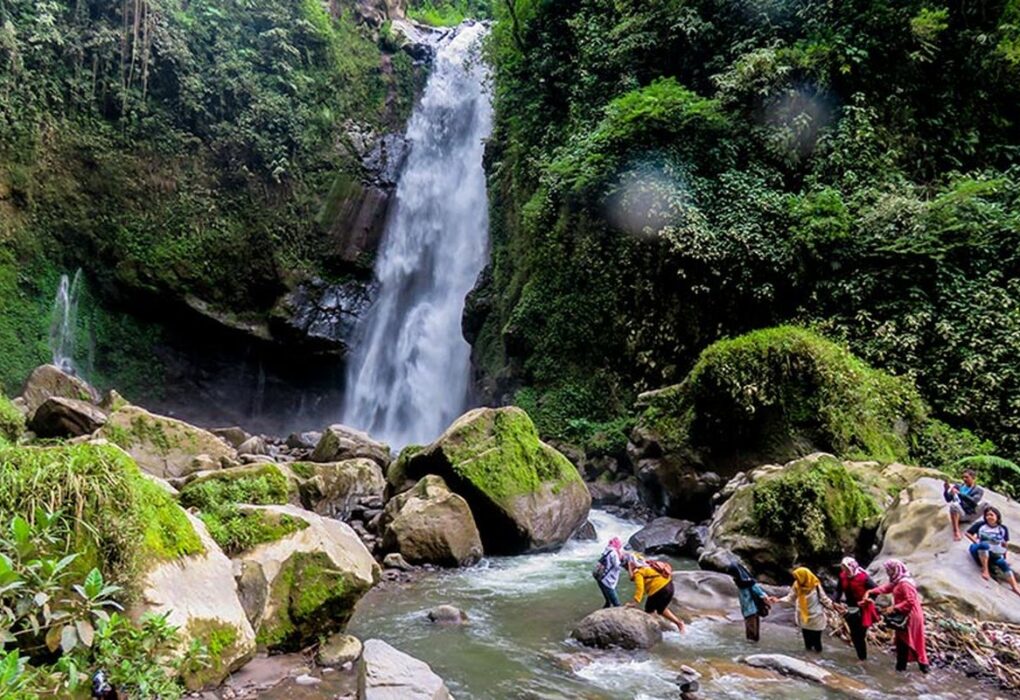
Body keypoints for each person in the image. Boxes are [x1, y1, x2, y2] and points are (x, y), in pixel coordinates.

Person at [863, 559, 929, 674]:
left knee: (914, 642)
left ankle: (923, 669)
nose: (888, 572)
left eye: (889, 570)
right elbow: (886, 588)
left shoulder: (905, 584)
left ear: (895, 570)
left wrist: (894, 607)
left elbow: (910, 601)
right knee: (902, 642)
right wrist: (871, 592)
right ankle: (901, 670)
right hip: (903, 614)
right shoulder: (897, 582)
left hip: (911, 616)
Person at [767, 567, 839, 652]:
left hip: (816, 617)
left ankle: (817, 660)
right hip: (803, 617)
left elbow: (824, 599)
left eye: (798, 577)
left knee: (817, 642)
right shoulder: (797, 585)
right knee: (807, 642)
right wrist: (778, 600)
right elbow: (790, 598)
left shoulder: (815, 585)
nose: (797, 579)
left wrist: (834, 606)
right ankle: (809, 659)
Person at [966, 506, 1020, 597]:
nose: (989, 517)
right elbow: (968, 533)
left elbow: (1004, 544)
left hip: (993, 552)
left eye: (991, 515)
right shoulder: (981, 525)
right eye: (987, 515)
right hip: (978, 549)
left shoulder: (1002, 529)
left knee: (1002, 562)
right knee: (984, 545)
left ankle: (1015, 587)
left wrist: (1005, 556)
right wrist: (976, 541)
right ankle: (985, 569)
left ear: (997, 516)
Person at [833, 557, 879, 660]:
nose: (845, 570)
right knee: (854, 635)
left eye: (846, 568)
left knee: (860, 635)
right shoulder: (842, 577)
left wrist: (869, 599)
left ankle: (863, 658)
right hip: (851, 608)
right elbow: (838, 590)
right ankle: (861, 657)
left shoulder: (863, 577)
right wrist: (835, 601)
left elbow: (876, 590)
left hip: (864, 609)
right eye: (843, 568)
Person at [625, 558, 686, 633]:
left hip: (659, 589)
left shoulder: (639, 572)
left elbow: (640, 589)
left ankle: (653, 631)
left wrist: (635, 602)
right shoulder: (649, 566)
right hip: (669, 586)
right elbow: (634, 580)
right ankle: (679, 623)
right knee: (661, 609)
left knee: (649, 610)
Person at [727, 561, 768, 642]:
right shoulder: (741, 582)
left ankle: (753, 651)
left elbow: (759, 592)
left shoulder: (748, 583)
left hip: (751, 611)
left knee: (751, 635)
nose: (733, 577)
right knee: (753, 634)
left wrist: (766, 598)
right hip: (748, 611)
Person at [944, 469, 985, 541]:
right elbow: (948, 499)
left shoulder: (979, 490)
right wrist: (946, 490)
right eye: (963, 477)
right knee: (954, 506)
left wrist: (959, 494)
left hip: (971, 514)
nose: (964, 479)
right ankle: (956, 532)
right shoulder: (958, 486)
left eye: (966, 477)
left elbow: (973, 501)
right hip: (961, 513)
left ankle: (985, 527)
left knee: (987, 504)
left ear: (973, 478)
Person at [593, 537, 624, 607]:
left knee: (607, 597)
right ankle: (619, 611)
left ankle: (606, 607)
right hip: (608, 578)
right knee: (615, 599)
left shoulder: (606, 550)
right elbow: (617, 566)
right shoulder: (614, 553)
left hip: (600, 576)